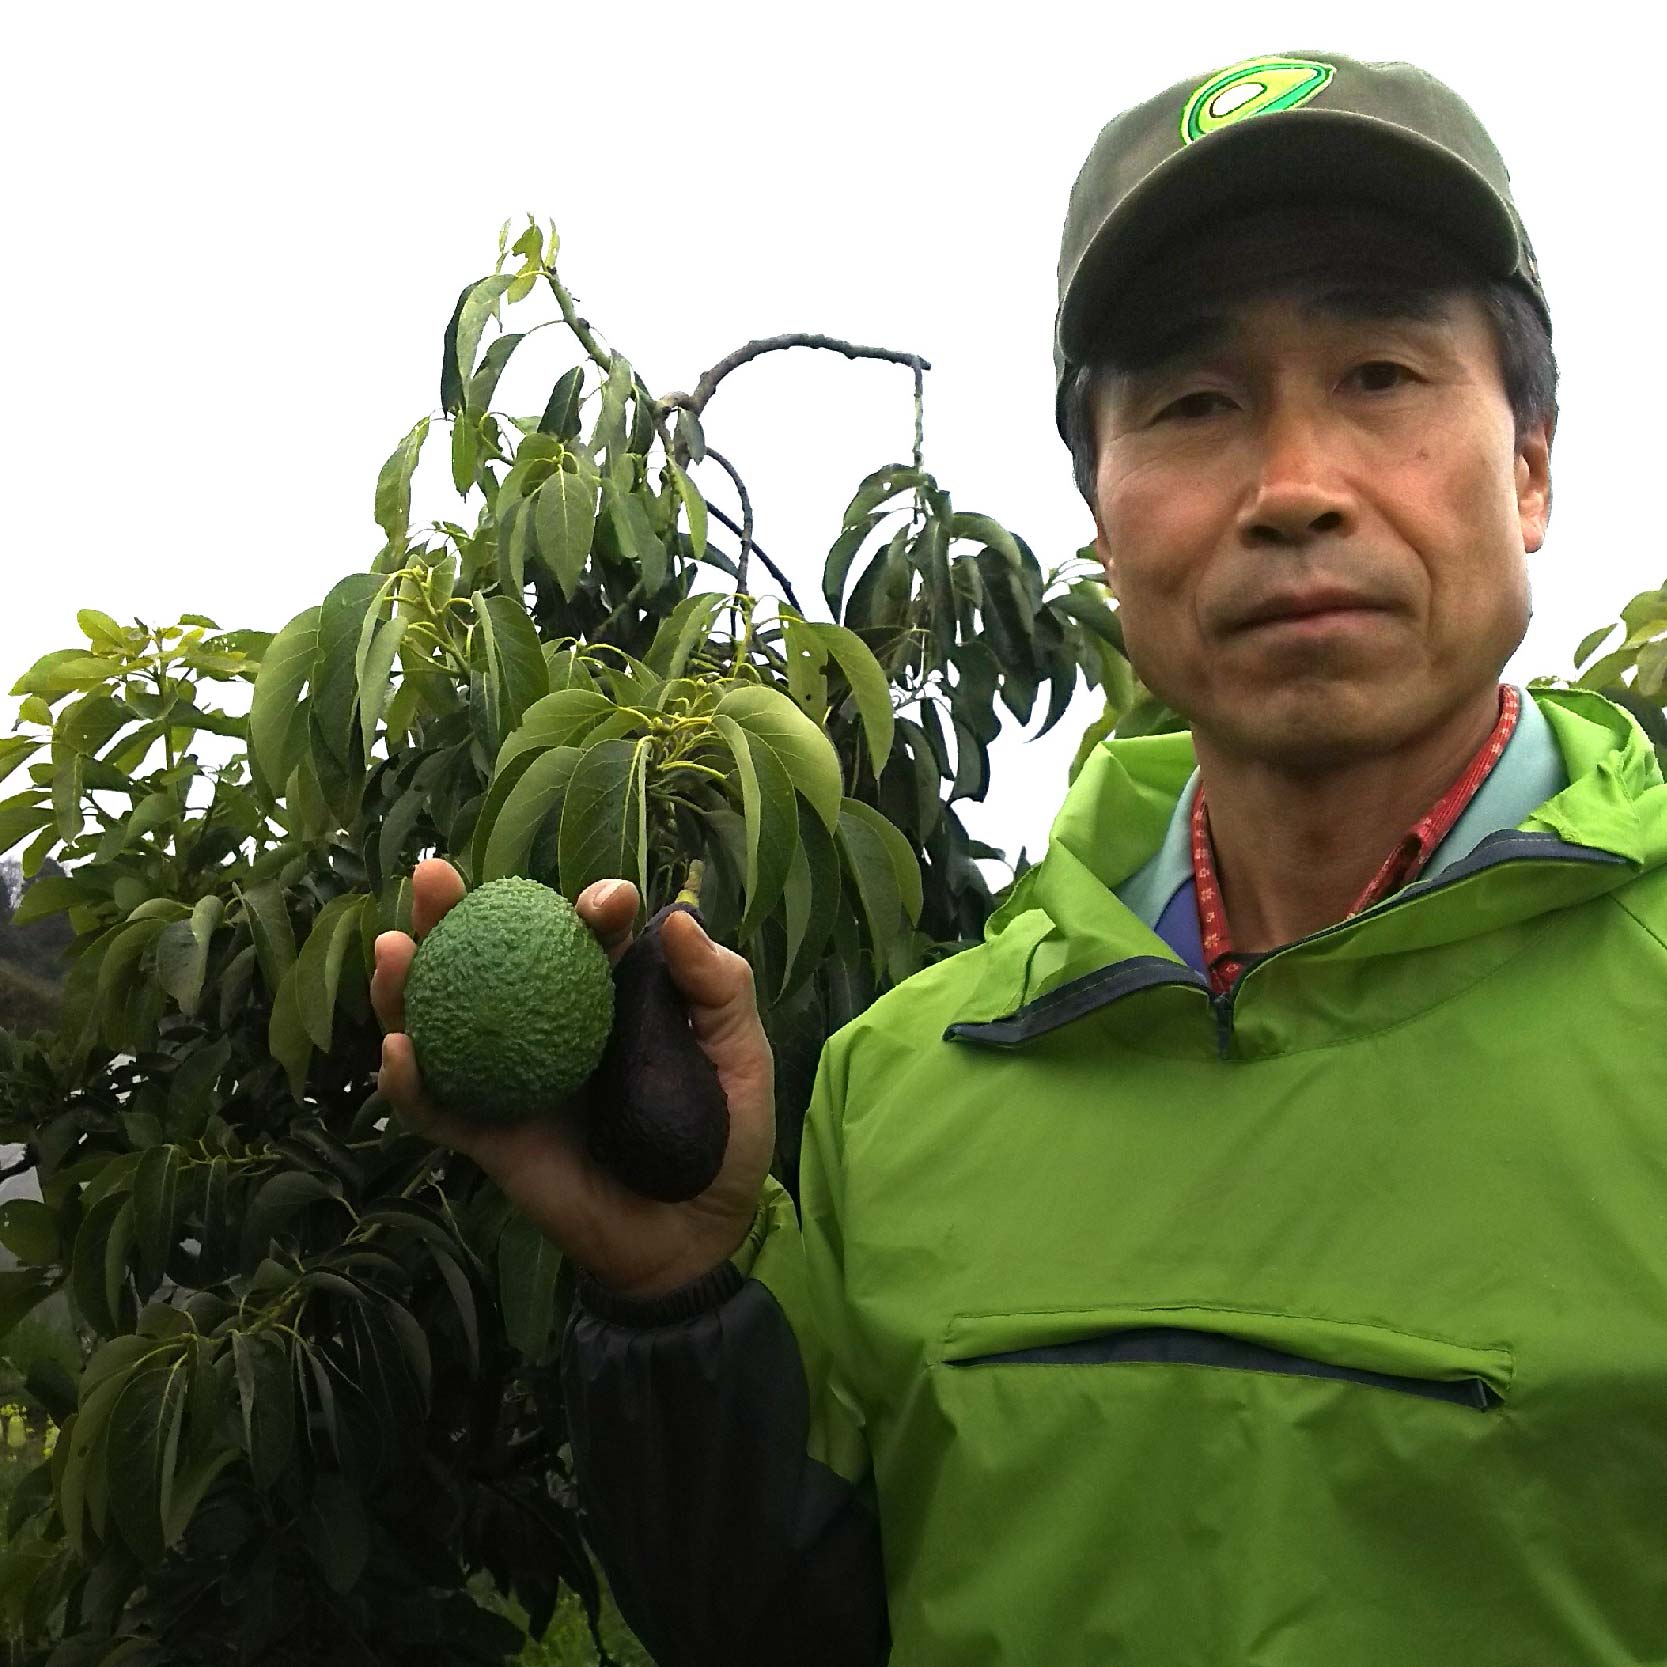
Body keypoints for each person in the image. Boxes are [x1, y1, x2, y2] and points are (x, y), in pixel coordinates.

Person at [371, 50, 1667, 1665]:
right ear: (1102, 520)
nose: (1292, 489)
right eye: (1194, 404)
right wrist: (681, 1300)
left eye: (1384, 377)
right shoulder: (899, 1084)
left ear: (1532, 463)